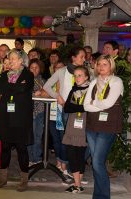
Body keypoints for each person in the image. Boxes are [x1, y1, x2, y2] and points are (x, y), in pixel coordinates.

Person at [84, 55, 123, 199]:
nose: (101, 67)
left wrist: (94, 103)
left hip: (108, 126)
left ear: (111, 66)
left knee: (97, 162)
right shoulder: (94, 81)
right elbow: (86, 105)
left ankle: (102, 196)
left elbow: (108, 103)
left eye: (105, 64)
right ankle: (98, 195)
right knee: (96, 163)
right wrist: (97, 104)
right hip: (92, 126)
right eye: (99, 64)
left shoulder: (116, 81)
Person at [43, 46, 86, 178]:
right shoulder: (62, 71)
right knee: (65, 140)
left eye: (84, 57)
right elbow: (46, 86)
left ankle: (73, 170)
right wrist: (58, 96)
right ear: (73, 58)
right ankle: (65, 167)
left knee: (77, 141)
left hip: (81, 112)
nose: (84, 59)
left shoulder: (85, 71)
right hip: (65, 111)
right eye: (82, 57)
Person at [0, 49, 34, 192]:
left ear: (21, 61)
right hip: (5, 116)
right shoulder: (4, 75)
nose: (10, 61)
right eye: (9, 59)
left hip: (21, 118)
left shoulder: (28, 75)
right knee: (4, 147)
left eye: (13, 59)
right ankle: (2, 178)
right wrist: (16, 87)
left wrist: (10, 88)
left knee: (21, 149)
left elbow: (23, 89)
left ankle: (24, 180)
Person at [63, 66, 90, 193]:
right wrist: (81, 107)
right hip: (72, 124)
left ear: (86, 77)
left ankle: (77, 184)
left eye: (80, 75)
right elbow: (67, 108)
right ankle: (77, 184)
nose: (77, 78)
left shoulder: (90, 90)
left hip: (85, 125)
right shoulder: (74, 89)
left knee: (80, 155)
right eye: (75, 75)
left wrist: (77, 107)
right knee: (71, 153)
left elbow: (89, 107)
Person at [27, 59, 47, 166]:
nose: (34, 69)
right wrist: (35, 93)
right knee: (30, 136)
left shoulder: (43, 81)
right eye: (32, 67)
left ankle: (37, 158)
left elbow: (47, 92)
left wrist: (43, 92)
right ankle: (30, 158)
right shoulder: (25, 80)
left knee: (38, 136)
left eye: (36, 67)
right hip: (28, 112)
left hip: (41, 111)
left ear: (40, 68)